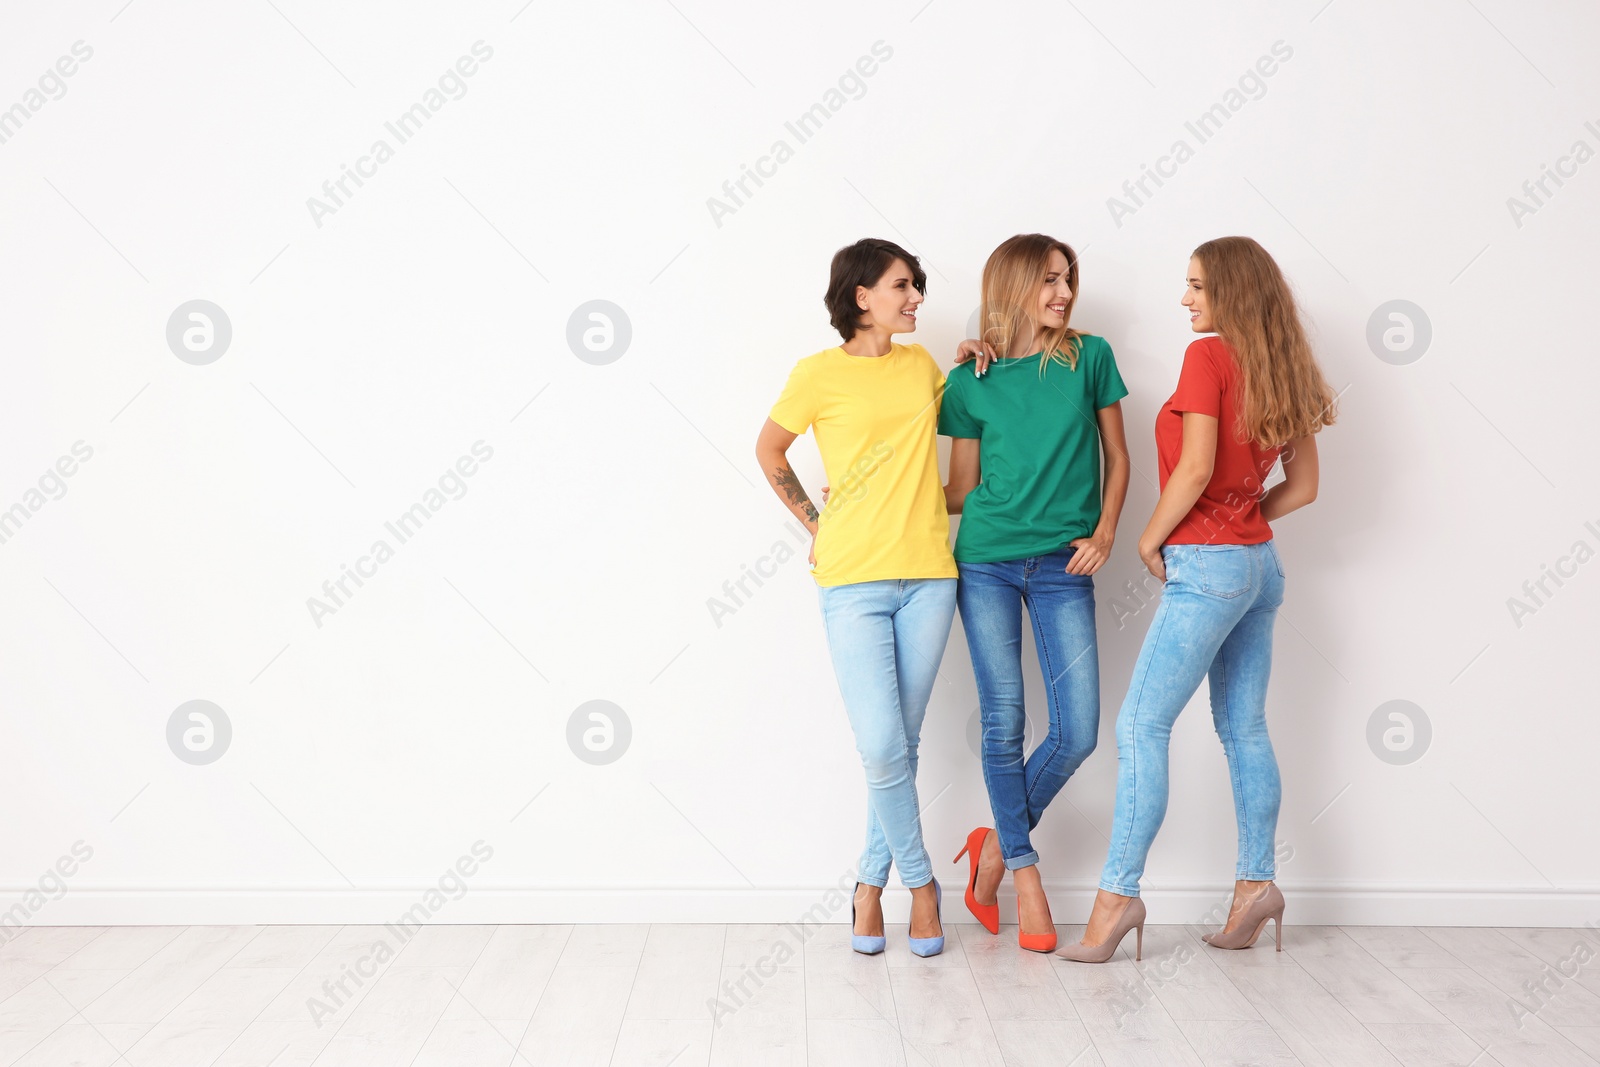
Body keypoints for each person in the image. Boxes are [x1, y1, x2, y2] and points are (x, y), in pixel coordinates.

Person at [1055, 236, 1338, 963]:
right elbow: (1303, 488)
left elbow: (1198, 467)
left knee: (1139, 726)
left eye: (1198, 287)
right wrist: (1243, 526)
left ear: (1231, 294)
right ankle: (1256, 887)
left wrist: (1151, 539)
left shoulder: (1208, 357)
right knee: (1243, 728)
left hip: (1209, 568)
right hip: (1259, 568)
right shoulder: (1286, 363)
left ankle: (1117, 898)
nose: (1186, 299)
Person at [754, 238, 957, 957]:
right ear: (861, 294)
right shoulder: (816, 374)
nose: (916, 299)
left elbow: (971, 417)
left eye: (918, 286)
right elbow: (769, 449)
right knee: (882, 745)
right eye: (903, 285)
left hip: (931, 573)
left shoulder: (923, 366)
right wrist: (817, 519)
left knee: (898, 742)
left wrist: (980, 354)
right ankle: (923, 885)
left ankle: (870, 884)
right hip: (851, 579)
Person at [941, 234, 1130, 953]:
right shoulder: (969, 380)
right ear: (1013, 284)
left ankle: (992, 843)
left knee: (1077, 729)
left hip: (1063, 562)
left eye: (1068, 280)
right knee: (1004, 721)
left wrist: (1108, 530)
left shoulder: (1090, 357)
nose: (1063, 293)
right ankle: (1022, 871)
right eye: (1049, 280)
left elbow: (1120, 455)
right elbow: (960, 489)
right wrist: (867, 502)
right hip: (985, 559)